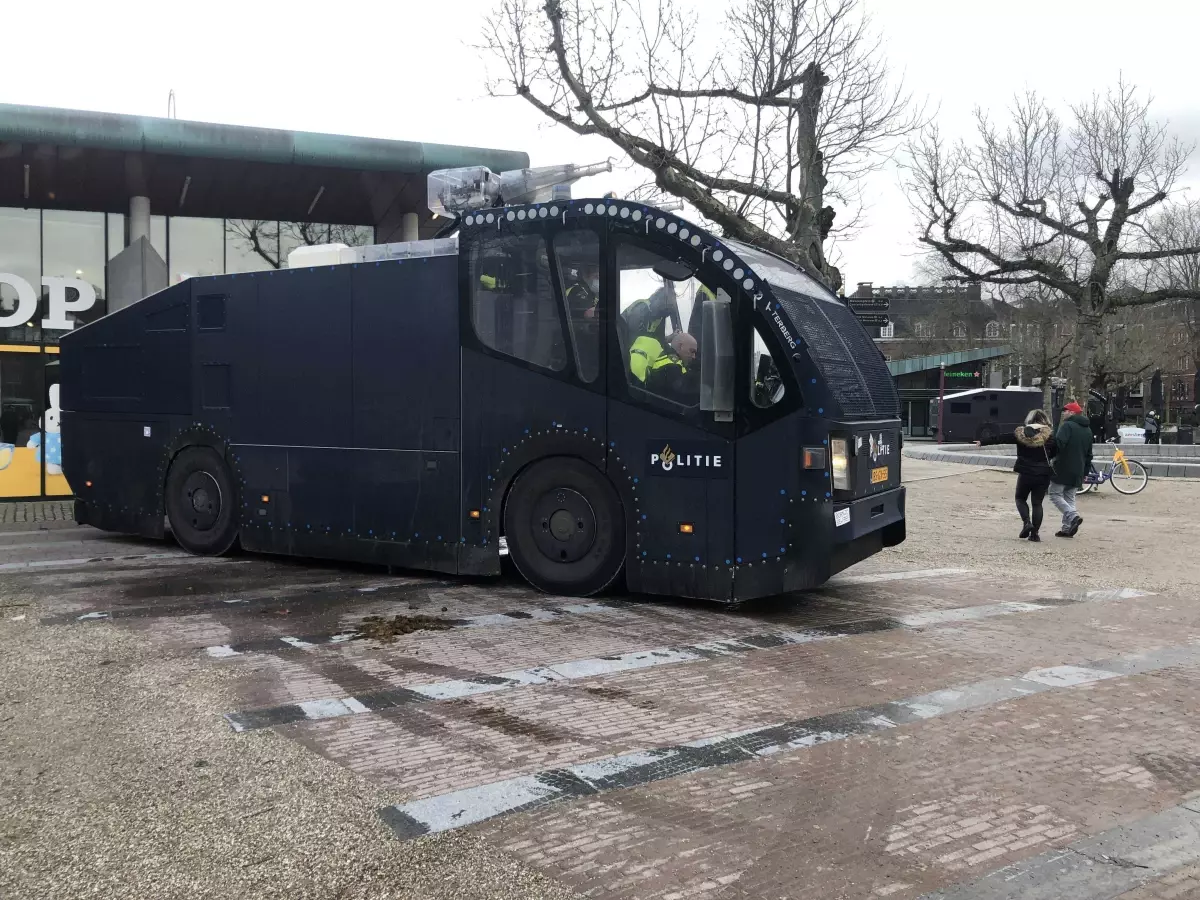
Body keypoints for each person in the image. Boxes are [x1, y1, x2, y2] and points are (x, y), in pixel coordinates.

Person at [975, 409, 1058, 542]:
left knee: (1020, 498)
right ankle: (1035, 534)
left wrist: (983, 442)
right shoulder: (1050, 436)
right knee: (1037, 503)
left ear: (1029, 420)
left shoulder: (1021, 434)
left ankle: (1026, 523)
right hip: (1043, 474)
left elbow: (1001, 438)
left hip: (1026, 472)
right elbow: (1054, 452)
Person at [1048, 400, 1093, 538]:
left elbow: (1058, 445)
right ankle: (1067, 528)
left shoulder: (1067, 426)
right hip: (1078, 469)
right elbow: (1089, 454)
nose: (1063, 413)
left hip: (1063, 466)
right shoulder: (1088, 430)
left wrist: (1049, 457)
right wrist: (1085, 472)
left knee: (1054, 494)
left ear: (1072, 413)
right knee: (1069, 497)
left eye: (1066, 411)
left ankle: (1073, 516)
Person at [645, 332, 699, 403]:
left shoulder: (672, 361)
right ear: (680, 346)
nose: (694, 356)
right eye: (692, 351)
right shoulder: (671, 365)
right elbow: (683, 392)